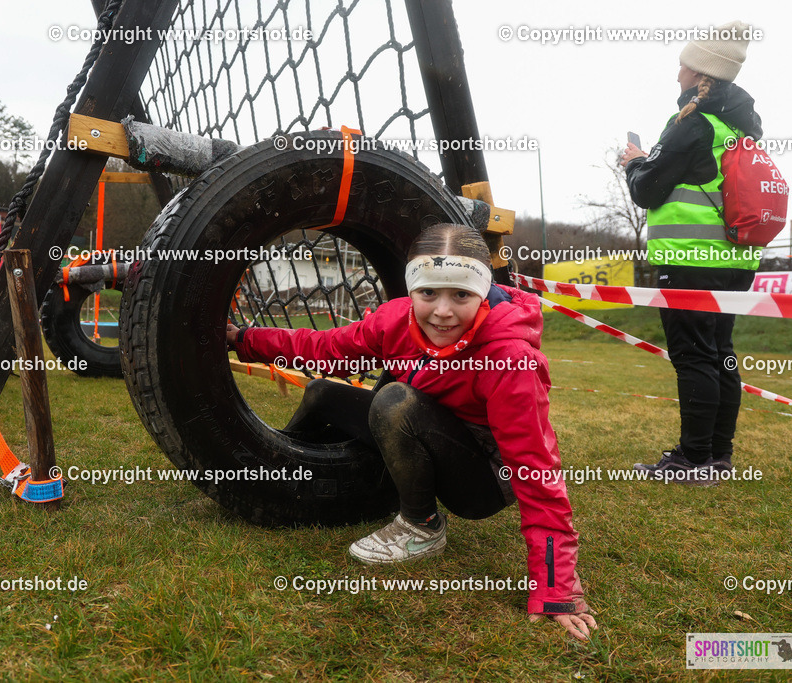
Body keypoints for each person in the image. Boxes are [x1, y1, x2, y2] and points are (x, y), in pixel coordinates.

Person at [227, 223, 596, 640]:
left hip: (485, 479)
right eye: (428, 293)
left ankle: (422, 527)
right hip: (429, 428)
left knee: (394, 401)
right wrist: (244, 339)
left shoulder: (509, 358)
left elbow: (535, 468)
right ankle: (289, 475)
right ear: (412, 291)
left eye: (461, 295)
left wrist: (556, 587)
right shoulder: (395, 320)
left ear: (483, 292)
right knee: (321, 393)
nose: (442, 311)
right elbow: (324, 346)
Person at [622, 20, 760, 482]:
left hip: (691, 259)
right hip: (737, 259)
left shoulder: (691, 123)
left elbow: (647, 190)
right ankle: (718, 455)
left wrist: (635, 163)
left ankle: (692, 459)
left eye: (682, 63)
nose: (676, 71)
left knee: (694, 355)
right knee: (719, 350)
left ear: (700, 72)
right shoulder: (739, 126)